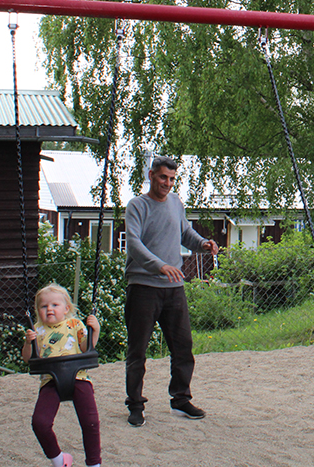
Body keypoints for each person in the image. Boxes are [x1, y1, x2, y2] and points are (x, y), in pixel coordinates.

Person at [124, 155, 218, 427]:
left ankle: (180, 400)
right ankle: (135, 405)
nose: (167, 183)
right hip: (143, 286)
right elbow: (133, 243)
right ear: (151, 175)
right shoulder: (137, 206)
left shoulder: (176, 203)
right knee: (137, 351)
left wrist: (203, 244)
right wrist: (159, 265)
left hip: (174, 288)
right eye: (163, 177)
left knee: (183, 347)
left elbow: (185, 232)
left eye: (172, 179)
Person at [22, 283, 101, 467]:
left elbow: (85, 348)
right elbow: (28, 359)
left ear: (66, 309)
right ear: (37, 311)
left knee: (90, 422)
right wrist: (28, 343)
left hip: (79, 377)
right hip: (50, 380)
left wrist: (94, 330)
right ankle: (59, 459)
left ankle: (94, 464)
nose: (49, 309)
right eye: (44, 306)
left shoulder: (74, 325)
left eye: (55, 305)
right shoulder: (37, 331)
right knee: (39, 422)